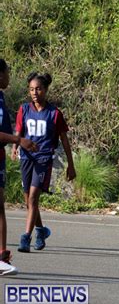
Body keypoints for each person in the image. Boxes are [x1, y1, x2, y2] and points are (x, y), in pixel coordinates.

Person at [12, 72, 76, 253]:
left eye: (38, 89)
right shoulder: (24, 109)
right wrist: (16, 146)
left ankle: (26, 238)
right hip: (26, 158)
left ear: (45, 90)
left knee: (33, 198)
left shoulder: (54, 114)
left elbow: (64, 140)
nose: (34, 92)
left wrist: (71, 165)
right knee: (28, 201)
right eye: (31, 89)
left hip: (44, 159)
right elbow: (19, 130)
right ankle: (41, 231)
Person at [0, 59, 38, 274]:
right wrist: (19, 141)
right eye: (7, 73)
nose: (9, 77)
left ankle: (2, 255)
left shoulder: (1, 97)